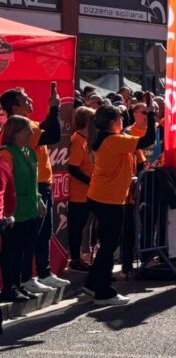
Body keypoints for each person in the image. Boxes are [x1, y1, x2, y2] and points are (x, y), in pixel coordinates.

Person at [85, 99, 157, 305]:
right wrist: (151, 115)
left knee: (108, 244)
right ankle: (103, 292)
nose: (123, 121)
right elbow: (148, 139)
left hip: (103, 196)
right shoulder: (113, 140)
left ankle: (93, 284)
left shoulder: (108, 138)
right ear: (113, 122)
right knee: (109, 245)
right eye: (120, 118)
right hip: (108, 199)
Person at [0, 85, 66, 293]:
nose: (31, 101)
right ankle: (23, 280)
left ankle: (38, 274)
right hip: (24, 196)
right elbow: (53, 134)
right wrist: (54, 108)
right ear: (15, 107)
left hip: (36, 189)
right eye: (25, 99)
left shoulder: (27, 137)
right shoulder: (15, 138)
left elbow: (48, 129)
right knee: (23, 241)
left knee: (39, 234)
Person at [0, 116, 42, 302]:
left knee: (23, 251)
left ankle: (18, 285)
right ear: (15, 132)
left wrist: (39, 201)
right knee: (12, 250)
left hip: (30, 209)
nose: (31, 133)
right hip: (14, 212)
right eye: (27, 130)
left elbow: (34, 181)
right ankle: (9, 288)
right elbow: (5, 184)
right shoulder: (7, 153)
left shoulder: (29, 151)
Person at [67, 106, 96, 271]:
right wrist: (90, 182)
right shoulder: (77, 140)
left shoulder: (86, 140)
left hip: (88, 193)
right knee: (77, 227)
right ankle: (75, 259)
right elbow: (73, 168)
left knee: (84, 226)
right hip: (78, 194)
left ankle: (81, 257)